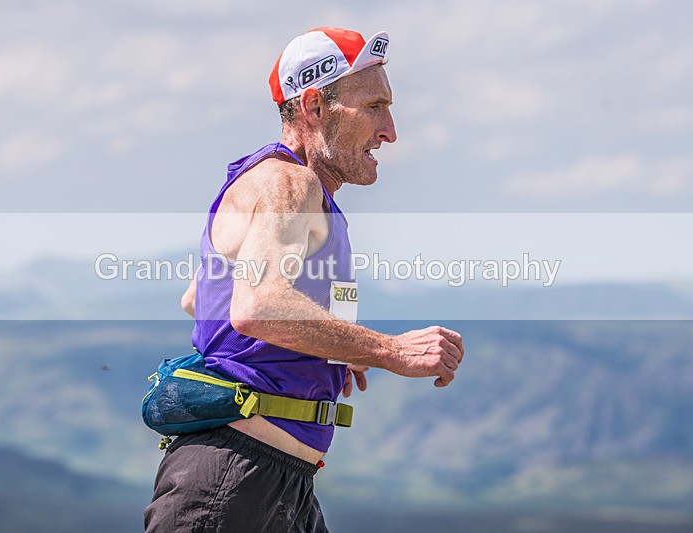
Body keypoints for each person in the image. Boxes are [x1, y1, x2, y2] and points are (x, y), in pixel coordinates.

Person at [144, 27, 464, 532]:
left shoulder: (288, 187)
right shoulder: (290, 182)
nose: (391, 131)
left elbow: (198, 299)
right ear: (314, 106)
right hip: (234, 476)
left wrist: (330, 347)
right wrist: (388, 350)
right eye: (375, 107)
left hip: (272, 478)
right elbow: (256, 307)